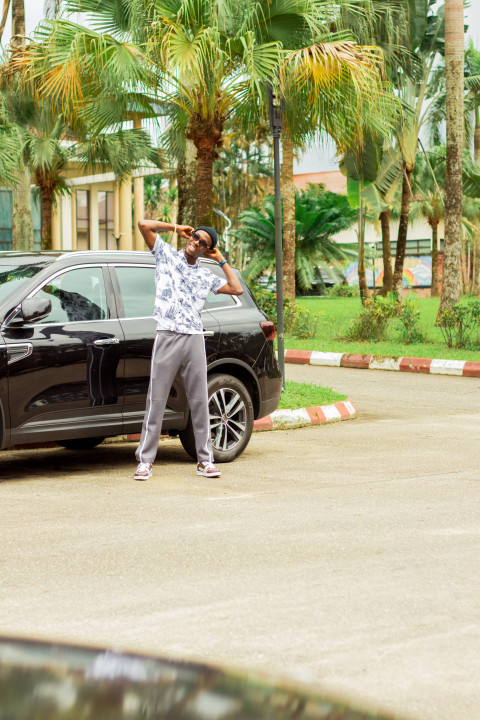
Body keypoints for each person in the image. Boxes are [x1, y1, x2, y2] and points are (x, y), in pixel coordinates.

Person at [134, 219, 243, 481]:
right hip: (167, 334)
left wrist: (221, 260)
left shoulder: (206, 275)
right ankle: (145, 461)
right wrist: (175, 228)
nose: (195, 242)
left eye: (203, 243)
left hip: (194, 336)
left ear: (208, 250)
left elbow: (236, 288)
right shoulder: (166, 255)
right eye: (195, 237)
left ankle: (205, 460)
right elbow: (143, 225)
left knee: (199, 400)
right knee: (156, 400)